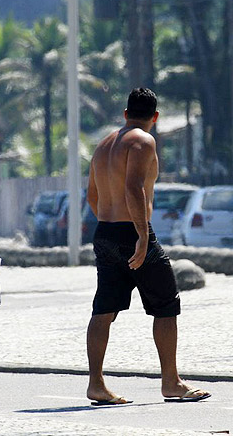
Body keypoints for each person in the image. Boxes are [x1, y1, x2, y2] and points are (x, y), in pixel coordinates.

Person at [85, 88, 211, 405]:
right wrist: (141, 235)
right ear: (154, 117)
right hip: (132, 233)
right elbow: (133, 187)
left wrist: (110, 223)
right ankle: (172, 382)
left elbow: (92, 194)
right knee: (166, 304)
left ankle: (96, 384)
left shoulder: (103, 145)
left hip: (105, 231)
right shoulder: (143, 140)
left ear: (126, 114)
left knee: (104, 309)